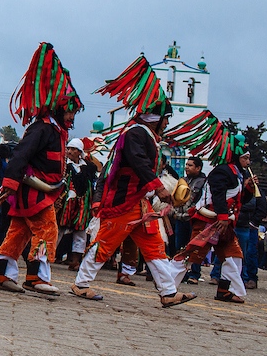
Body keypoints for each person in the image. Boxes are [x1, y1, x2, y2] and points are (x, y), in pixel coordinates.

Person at [71, 56, 194, 307]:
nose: (168, 123)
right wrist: (158, 188)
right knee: (105, 243)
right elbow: (138, 163)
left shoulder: (144, 134)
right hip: (123, 201)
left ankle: (168, 292)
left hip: (139, 202)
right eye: (166, 118)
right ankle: (80, 284)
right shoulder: (136, 133)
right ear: (156, 117)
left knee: (154, 246)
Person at [0, 44, 80, 295]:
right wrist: (9, 183)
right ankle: (36, 276)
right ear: (60, 107)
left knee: (18, 233)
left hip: (42, 191)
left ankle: (1, 274)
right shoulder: (42, 128)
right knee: (47, 230)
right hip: (33, 190)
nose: (73, 116)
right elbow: (20, 155)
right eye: (70, 109)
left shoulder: (56, 130)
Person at [172, 146, 255, 303]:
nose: (248, 162)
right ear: (237, 157)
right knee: (192, 253)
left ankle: (227, 290)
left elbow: (239, 200)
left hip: (225, 222)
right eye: (245, 158)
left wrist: (249, 188)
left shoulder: (238, 173)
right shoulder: (222, 171)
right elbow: (218, 195)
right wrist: (223, 217)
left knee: (233, 256)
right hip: (209, 221)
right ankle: (167, 284)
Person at [58, 137, 100, 270]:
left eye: (73, 149)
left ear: (79, 151)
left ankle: (75, 261)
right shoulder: (64, 165)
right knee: (58, 229)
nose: (70, 151)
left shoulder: (89, 167)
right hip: (66, 203)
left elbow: (94, 183)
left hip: (83, 202)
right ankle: (47, 255)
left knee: (80, 232)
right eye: (69, 148)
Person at [177, 156, 208, 283]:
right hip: (180, 217)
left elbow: (202, 200)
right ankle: (180, 272)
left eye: (190, 165)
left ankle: (194, 274)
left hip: (194, 218)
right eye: (187, 165)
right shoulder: (182, 181)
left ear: (198, 168)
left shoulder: (204, 182)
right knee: (180, 246)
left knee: (195, 246)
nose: (187, 167)